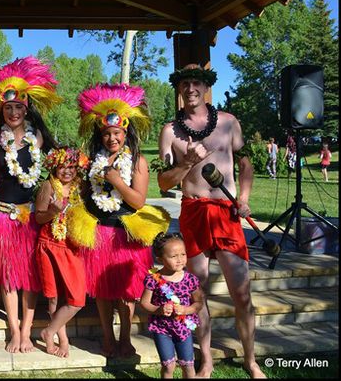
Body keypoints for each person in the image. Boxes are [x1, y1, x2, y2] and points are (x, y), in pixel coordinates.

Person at [157, 63, 266, 378]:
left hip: (227, 213)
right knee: (197, 292)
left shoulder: (229, 123)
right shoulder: (170, 131)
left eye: (196, 82)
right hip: (193, 212)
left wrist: (244, 198)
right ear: (179, 88)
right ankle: (206, 360)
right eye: (185, 83)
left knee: (242, 292)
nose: (190, 88)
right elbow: (164, 182)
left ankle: (250, 359)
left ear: (206, 86)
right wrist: (187, 162)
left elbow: (246, 164)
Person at [73, 83, 170, 358]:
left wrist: (116, 180)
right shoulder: (94, 160)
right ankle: (107, 336)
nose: (111, 138)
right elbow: (86, 191)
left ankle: (125, 338)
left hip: (126, 233)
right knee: (102, 291)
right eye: (106, 133)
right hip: (100, 231)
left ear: (125, 131)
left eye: (116, 133)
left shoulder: (137, 161)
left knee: (127, 292)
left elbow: (138, 201)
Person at [0, 56, 61, 353]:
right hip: (0, 215)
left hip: (28, 217)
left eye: (19, 107)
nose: (13, 112)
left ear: (27, 108)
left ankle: (27, 330)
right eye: (9, 107)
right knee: (8, 275)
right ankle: (14, 329)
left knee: (29, 275)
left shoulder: (38, 138)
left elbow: (59, 170)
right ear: (2, 108)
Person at [34, 146, 90, 358]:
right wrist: (52, 212)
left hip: (72, 247)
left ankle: (48, 331)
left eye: (73, 166)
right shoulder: (48, 186)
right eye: (63, 166)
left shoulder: (81, 187)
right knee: (54, 297)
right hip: (49, 244)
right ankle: (61, 339)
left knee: (76, 299)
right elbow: (38, 218)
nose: (67, 171)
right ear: (54, 167)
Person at [141, 232, 203, 379]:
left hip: (183, 327)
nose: (180, 259)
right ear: (160, 259)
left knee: (188, 366)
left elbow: (199, 303)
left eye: (183, 254)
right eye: (174, 256)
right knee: (169, 365)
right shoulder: (154, 279)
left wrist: (187, 310)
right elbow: (144, 303)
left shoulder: (190, 279)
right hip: (162, 328)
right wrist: (159, 310)